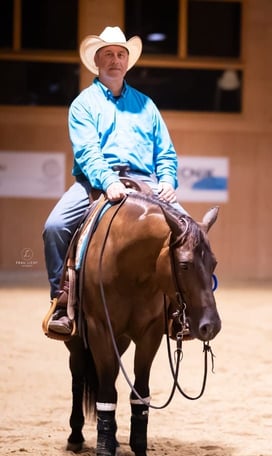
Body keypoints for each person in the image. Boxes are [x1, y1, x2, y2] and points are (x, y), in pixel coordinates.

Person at [43, 26, 181, 335]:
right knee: (55, 227)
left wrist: (168, 180)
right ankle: (62, 300)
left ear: (127, 62)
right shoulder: (83, 104)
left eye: (120, 54)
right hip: (95, 182)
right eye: (108, 54)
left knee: (189, 231)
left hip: (146, 182)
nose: (115, 60)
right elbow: (87, 151)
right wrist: (108, 181)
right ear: (97, 61)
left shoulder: (147, 105)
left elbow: (166, 152)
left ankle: (181, 308)